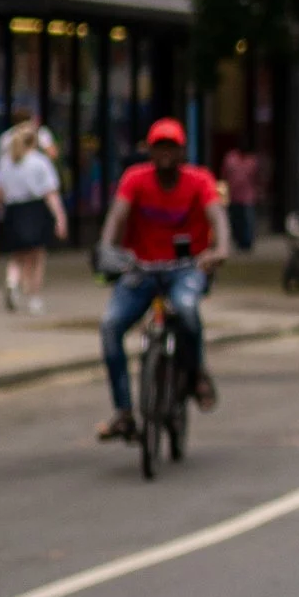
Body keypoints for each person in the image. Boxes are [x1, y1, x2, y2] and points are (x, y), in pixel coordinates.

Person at [98, 119, 229, 442]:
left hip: (187, 267)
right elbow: (116, 218)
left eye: (171, 147)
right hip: (141, 269)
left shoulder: (199, 181)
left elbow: (218, 219)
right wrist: (107, 250)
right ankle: (124, 413)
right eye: (159, 147)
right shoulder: (135, 180)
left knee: (185, 308)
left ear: (182, 151)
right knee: (110, 326)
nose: (165, 153)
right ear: (149, 151)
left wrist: (220, 250)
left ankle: (196, 372)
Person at [0, 118, 67, 310]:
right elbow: (51, 194)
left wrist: (1, 207)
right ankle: (33, 296)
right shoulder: (40, 162)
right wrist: (60, 218)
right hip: (35, 210)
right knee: (37, 255)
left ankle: (12, 282)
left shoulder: (6, 162)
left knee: (17, 255)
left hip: (13, 210)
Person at [218, 137, 262, 256]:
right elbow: (224, 176)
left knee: (248, 220)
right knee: (235, 219)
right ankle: (239, 241)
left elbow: (257, 178)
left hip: (248, 196)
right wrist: (222, 195)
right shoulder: (230, 158)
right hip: (233, 195)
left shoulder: (252, 160)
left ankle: (247, 244)